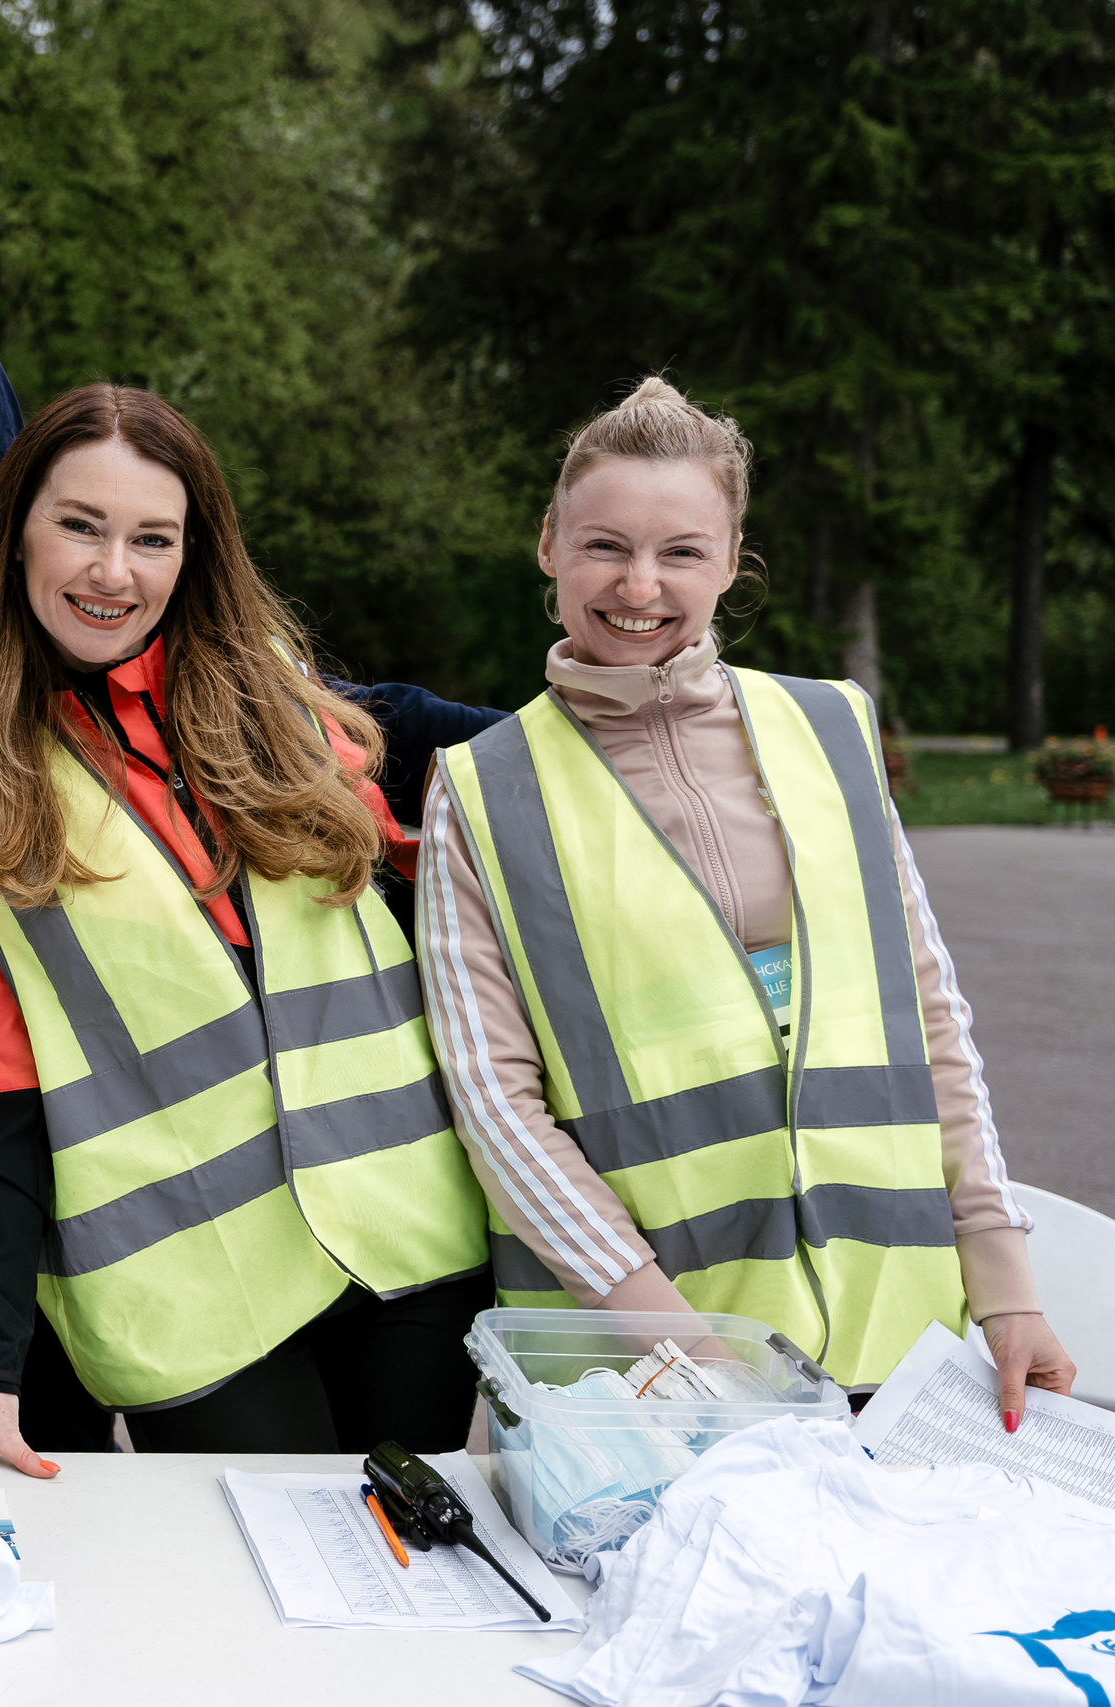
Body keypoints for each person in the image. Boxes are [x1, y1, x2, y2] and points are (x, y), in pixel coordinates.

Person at [0, 301, 504, 1455]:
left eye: (152, 539)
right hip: (197, 1295)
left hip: (404, 1243)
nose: (112, 572)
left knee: (407, 1587)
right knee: (253, 1598)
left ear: (193, 552)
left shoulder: (273, 696)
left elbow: (446, 867)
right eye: (79, 527)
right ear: (15, 530)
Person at [419, 376, 1074, 1417]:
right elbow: (497, 1109)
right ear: (548, 544)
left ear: (729, 559)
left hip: (897, 1350)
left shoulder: (830, 730)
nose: (639, 584)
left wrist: (1004, 1291)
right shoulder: (480, 790)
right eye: (604, 546)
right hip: (642, 1379)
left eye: (679, 550)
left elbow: (931, 1025)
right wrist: (688, 1352)